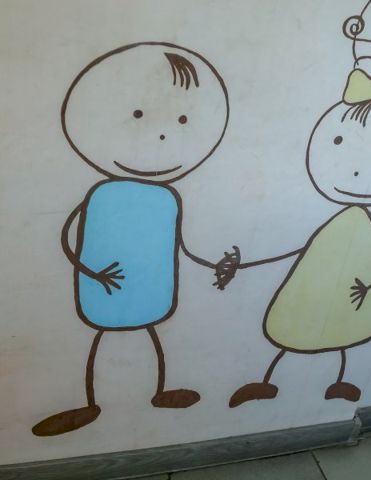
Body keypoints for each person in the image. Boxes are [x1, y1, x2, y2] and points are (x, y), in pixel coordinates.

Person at [32, 42, 229, 436]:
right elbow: (68, 238)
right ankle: (90, 403)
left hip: (149, 287)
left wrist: (214, 266)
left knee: (150, 332)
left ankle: (159, 391)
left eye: (183, 119)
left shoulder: (166, 199)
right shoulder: (101, 195)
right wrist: (93, 273)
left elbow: (180, 246)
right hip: (106, 286)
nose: (161, 133)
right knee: (103, 335)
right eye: (138, 114)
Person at [225, 64, 371, 407]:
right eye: (339, 141)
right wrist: (247, 265)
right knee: (294, 328)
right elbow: (300, 249)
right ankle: (267, 383)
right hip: (320, 285)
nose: (358, 167)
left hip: (352, 291)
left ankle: (338, 384)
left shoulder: (364, 225)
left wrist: (369, 286)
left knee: (342, 333)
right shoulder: (339, 224)